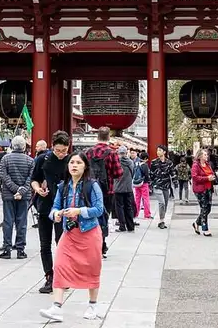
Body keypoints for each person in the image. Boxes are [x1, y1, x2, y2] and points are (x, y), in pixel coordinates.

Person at [39, 152, 107, 323]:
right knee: (60, 265)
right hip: (69, 234)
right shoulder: (63, 187)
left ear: (85, 166)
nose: (74, 165)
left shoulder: (92, 186)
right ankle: (56, 307)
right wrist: (56, 214)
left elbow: (99, 209)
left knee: (92, 268)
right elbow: (54, 208)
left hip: (89, 233)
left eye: (78, 162)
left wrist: (79, 211)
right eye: (71, 163)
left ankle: (92, 305)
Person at [32, 130, 71, 293]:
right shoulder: (43, 158)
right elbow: (34, 179)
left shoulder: (72, 161)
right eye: (58, 150)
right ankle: (49, 276)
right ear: (52, 147)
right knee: (44, 243)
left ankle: (63, 276)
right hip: (45, 205)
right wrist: (38, 190)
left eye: (64, 150)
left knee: (62, 243)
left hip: (64, 208)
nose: (61, 154)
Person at [85, 127, 122, 258]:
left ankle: (91, 243)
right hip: (107, 190)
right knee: (104, 216)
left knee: (90, 215)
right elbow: (118, 173)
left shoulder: (88, 152)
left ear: (97, 137)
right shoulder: (111, 153)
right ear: (108, 137)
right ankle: (102, 244)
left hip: (90, 189)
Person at [0, 134, 35, 259]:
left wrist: (15, 190)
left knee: (8, 222)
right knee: (22, 222)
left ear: (12, 146)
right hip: (24, 196)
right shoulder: (30, 160)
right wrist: (22, 190)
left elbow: (4, 176)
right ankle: (20, 249)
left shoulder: (5, 159)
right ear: (24, 146)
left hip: (9, 195)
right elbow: (31, 178)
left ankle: (7, 248)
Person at [190, 148, 216, 237]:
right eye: (205, 155)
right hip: (200, 189)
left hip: (209, 188)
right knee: (204, 208)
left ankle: (197, 223)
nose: (207, 156)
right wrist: (207, 178)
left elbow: (211, 173)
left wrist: (213, 177)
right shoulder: (195, 165)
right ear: (200, 156)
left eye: (207, 155)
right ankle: (205, 228)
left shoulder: (208, 164)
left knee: (208, 208)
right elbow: (195, 177)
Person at [149, 145, 174, 229]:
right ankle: (161, 221)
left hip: (166, 185)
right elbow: (151, 174)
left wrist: (175, 182)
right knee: (162, 202)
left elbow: (172, 173)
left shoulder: (169, 163)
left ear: (164, 152)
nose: (157, 152)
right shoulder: (153, 162)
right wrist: (151, 184)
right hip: (157, 185)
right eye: (157, 150)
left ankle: (162, 219)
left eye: (159, 150)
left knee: (166, 204)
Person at [112, 146, 136, 232]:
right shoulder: (131, 162)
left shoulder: (116, 163)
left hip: (118, 188)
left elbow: (113, 174)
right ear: (126, 153)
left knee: (119, 207)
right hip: (128, 188)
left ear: (118, 154)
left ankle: (122, 226)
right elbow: (133, 173)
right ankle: (131, 226)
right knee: (128, 207)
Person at [132, 149, 152, 220]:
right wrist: (149, 182)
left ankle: (136, 213)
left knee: (137, 199)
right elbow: (146, 175)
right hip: (144, 184)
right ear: (146, 158)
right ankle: (147, 214)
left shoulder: (136, 163)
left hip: (137, 184)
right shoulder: (145, 165)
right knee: (146, 199)